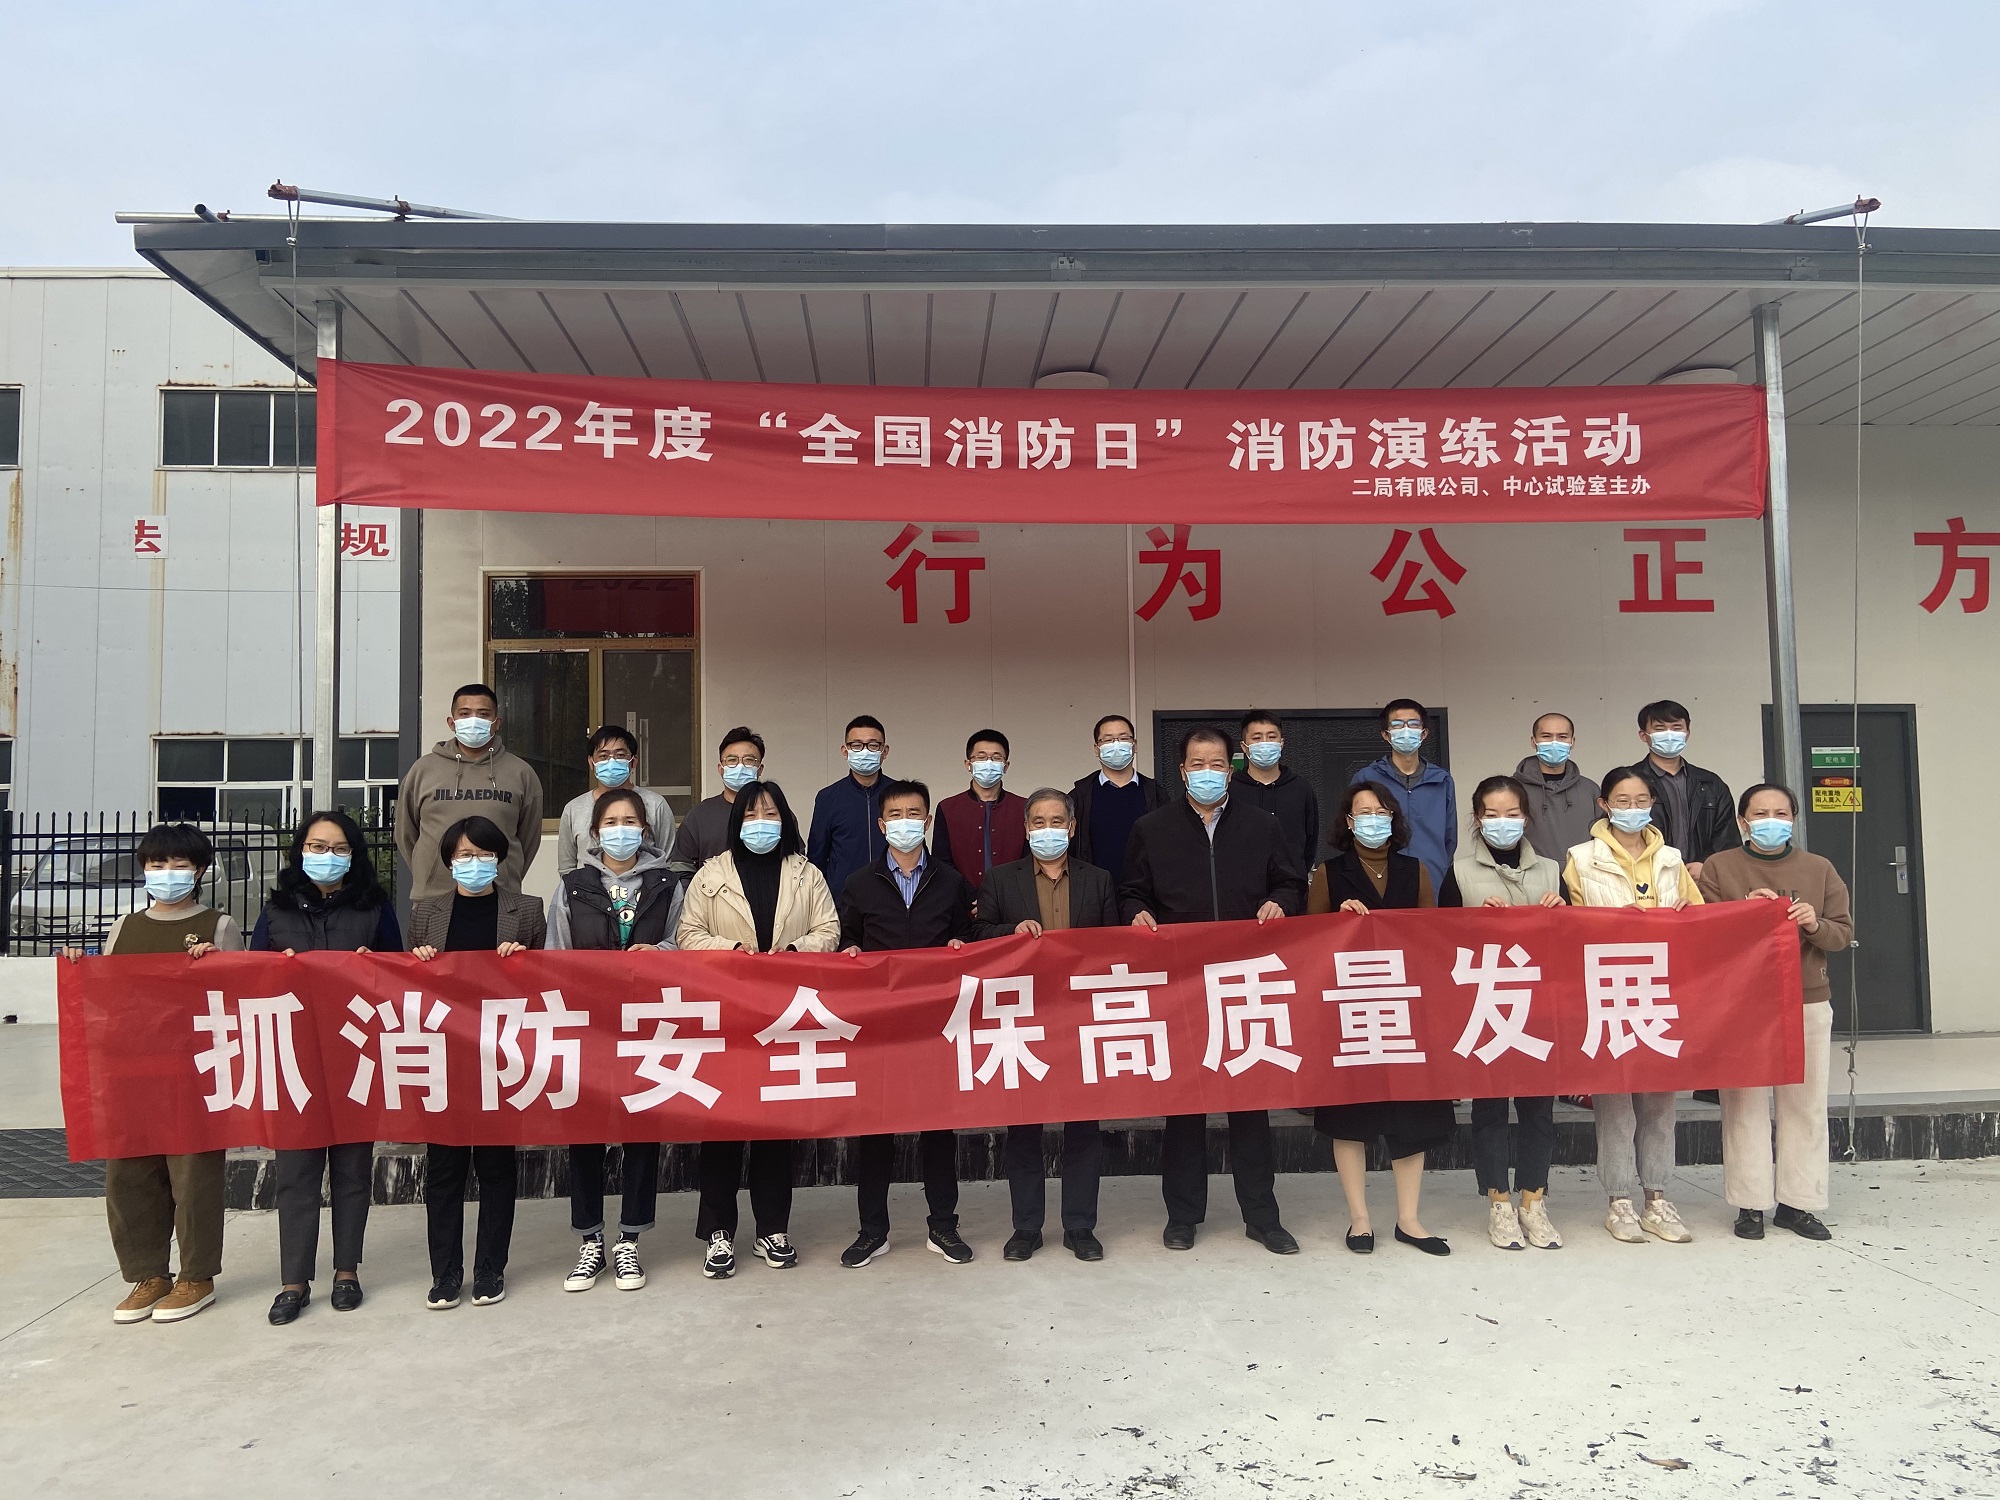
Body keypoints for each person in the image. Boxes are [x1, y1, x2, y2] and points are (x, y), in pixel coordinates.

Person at [1121, 727, 1305, 1255]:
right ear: (1182, 772)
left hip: (1245, 981)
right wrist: (1136, 913)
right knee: (1185, 1106)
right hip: (1181, 984)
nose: (1208, 772)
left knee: (1250, 1105)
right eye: (1197, 764)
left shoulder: (1262, 825)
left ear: (1232, 768)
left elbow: (1291, 883)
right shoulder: (1152, 828)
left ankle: (1262, 1216)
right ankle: (1183, 1215)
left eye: (1218, 764)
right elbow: (1130, 891)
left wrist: (1281, 902)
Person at [68, 824, 242, 1325]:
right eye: (157, 864)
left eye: (179, 865)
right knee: (129, 1175)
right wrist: (80, 966)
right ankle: (148, 1274)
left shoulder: (218, 925)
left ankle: (196, 1276)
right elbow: (106, 993)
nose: (167, 873)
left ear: (200, 871)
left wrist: (215, 966)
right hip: (130, 1071)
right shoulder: (124, 927)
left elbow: (239, 996)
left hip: (192, 1072)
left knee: (193, 1177)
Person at [676, 781, 840, 1277]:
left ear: (785, 819)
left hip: (783, 1017)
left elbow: (829, 930)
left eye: (770, 813)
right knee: (721, 1125)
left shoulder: (806, 873)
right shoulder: (711, 875)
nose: (760, 823)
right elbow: (687, 934)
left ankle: (773, 1228)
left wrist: (792, 954)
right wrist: (731, 952)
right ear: (737, 822)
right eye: (751, 815)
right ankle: (718, 1232)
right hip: (726, 1016)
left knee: (774, 1126)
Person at [252, 810, 403, 1326]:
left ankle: (346, 1271)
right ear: (300, 852)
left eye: (338, 848)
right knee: (295, 1171)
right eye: (317, 847)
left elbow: (400, 975)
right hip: (294, 1055)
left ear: (353, 856)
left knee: (351, 1169)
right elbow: (250, 978)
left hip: (354, 1055)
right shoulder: (275, 910)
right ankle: (293, 1281)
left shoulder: (373, 907)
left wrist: (372, 966)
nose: (327, 856)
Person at [546, 788, 687, 1294]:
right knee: (584, 1131)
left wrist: (659, 953)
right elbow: (556, 955)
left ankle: (630, 1240)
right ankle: (590, 1241)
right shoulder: (573, 886)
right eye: (611, 822)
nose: (621, 830)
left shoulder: (667, 884)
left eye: (631, 822)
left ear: (645, 831)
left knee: (641, 1130)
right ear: (594, 831)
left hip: (648, 1024)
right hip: (588, 1027)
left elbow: (684, 940)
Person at [970, 788, 1120, 1263]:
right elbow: (977, 934)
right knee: (1023, 1126)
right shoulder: (1001, 879)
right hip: (1023, 1018)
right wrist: (1009, 933)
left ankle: (1080, 1226)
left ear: (1071, 828)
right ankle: (1026, 1227)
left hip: (1080, 1017)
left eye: (1057, 821)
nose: (1047, 830)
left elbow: (1115, 945)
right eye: (1038, 822)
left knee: (1083, 1126)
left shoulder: (1098, 880)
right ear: (1026, 828)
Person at [1698, 784, 1853, 1243]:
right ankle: (1750, 1204)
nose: (1771, 821)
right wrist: (1742, 914)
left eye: (1781, 813)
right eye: (1760, 813)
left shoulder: (1819, 868)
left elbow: (1841, 933)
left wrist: (1813, 923)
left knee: (1805, 1103)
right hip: (1741, 1003)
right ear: (1743, 821)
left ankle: (1798, 1204)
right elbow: (1702, 933)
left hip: (1807, 998)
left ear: (1794, 819)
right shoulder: (1719, 867)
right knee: (1743, 1103)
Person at [1309, 782, 1455, 1257]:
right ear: (1348, 822)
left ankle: (1408, 1219)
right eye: (1363, 812)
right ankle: (1359, 1219)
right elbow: (1308, 943)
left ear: (1393, 818)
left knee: (1410, 1114)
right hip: (1349, 1012)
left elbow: (1432, 937)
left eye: (1381, 811)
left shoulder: (1416, 871)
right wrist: (1337, 920)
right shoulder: (1329, 874)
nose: (1373, 819)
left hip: (1404, 1009)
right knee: (1349, 1116)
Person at [836, 778, 977, 1268]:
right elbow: (847, 940)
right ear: (881, 824)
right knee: (875, 1131)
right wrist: (850, 952)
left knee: (938, 1129)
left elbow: (966, 935)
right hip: (881, 1028)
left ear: (928, 821)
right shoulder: (859, 882)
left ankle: (944, 1226)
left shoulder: (951, 882)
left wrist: (961, 946)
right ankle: (873, 1231)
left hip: (936, 1025)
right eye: (895, 815)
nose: (905, 823)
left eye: (914, 814)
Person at [408, 815, 546, 1310]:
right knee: (444, 1169)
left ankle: (491, 1268)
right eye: (464, 855)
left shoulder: (526, 910)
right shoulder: (426, 914)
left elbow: (547, 983)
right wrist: (420, 961)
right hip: (443, 1055)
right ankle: (445, 1274)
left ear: (499, 859)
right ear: (449, 861)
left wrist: (523, 959)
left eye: (484, 854)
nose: (474, 862)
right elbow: (405, 984)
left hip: (500, 1054)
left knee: (496, 1167)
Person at [1563, 766, 1705, 1245]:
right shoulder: (1580, 858)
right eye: (1621, 801)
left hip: (1661, 989)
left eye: (1641, 800)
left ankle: (1658, 1198)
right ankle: (1618, 1200)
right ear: (1603, 805)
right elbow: (1570, 926)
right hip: (1608, 989)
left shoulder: (1671, 858)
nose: (1632, 808)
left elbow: (1701, 920)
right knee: (1615, 1105)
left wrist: (1687, 914)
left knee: (1660, 1102)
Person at [1450, 776, 1566, 1252]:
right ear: (1478, 819)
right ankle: (1498, 1201)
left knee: (1539, 1108)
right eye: (1492, 814)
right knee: (1490, 1108)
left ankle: (1533, 1201)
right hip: (1486, 1006)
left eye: (1512, 813)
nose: (1503, 823)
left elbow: (1573, 942)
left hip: (1539, 1006)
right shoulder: (1459, 873)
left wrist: (1562, 912)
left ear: (1526, 817)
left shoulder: (1552, 870)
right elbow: (1438, 940)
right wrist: (1473, 921)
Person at [395, 682, 545, 901]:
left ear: (497, 723)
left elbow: (528, 839)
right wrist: (430, 870)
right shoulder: (423, 770)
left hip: (501, 898)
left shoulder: (521, 773)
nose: (474, 720)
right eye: (464, 714)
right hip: (433, 897)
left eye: (483, 714)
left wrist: (506, 872)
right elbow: (406, 834)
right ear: (451, 722)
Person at [1622, 699, 1740, 879]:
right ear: (1643, 735)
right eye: (1660, 729)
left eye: (1676, 728)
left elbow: (1727, 836)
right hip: (1646, 877)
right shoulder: (1629, 782)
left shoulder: (1710, 783)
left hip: (1701, 879)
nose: (1669, 734)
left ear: (1687, 734)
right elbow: (1616, 832)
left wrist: (1707, 865)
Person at [1352, 699, 1456, 893]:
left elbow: (1450, 837)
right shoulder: (1367, 778)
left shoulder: (1442, 780)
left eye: (1413, 724)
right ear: (1386, 734)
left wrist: (1440, 864)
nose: (1406, 730)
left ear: (1424, 733)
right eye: (1398, 725)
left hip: (1432, 877)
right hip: (1380, 877)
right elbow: (1352, 830)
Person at [555, 724, 676, 877]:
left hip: (645, 891)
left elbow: (669, 862)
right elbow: (567, 869)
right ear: (591, 762)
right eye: (603, 756)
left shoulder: (655, 805)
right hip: (587, 891)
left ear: (633, 761)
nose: (611, 761)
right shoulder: (573, 809)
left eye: (620, 755)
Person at [1069, 713, 1167, 890]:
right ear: (1096, 749)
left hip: (1144, 895)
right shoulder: (1079, 796)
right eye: (1108, 740)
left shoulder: (1156, 794)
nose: (1116, 744)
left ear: (1134, 745)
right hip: (1094, 893)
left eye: (1123, 738)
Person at [932, 729, 1027, 890]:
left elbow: (1028, 861)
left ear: (1006, 766)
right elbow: (942, 862)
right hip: (962, 900)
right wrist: (968, 895)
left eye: (996, 758)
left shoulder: (1024, 807)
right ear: (968, 764)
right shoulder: (947, 808)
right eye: (981, 757)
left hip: (1013, 898)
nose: (989, 763)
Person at [1230, 710, 1321, 878]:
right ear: (1244, 746)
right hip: (1241, 887)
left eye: (1271, 737)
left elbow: (1310, 843)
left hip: (1292, 887)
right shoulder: (1230, 789)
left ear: (1281, 743)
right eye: (1257, 738)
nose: (1265, 743)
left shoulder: (1301, 788)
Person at [809, 715, 891, 899]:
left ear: (884, 751)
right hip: (843, 903)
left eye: (873, 745)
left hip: (894, 901)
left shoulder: (899, 795)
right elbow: (816, 859)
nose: (865, 751)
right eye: (856, 745)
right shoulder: (827, 798)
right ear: (845, 751)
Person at [668, 726, 766, 874]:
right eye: (732, 760)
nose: (740, 766)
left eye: (749, 760)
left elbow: (796, 863)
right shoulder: (699, 816)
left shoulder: (775, 814)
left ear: (760, 769)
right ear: (721, 769)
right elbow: (682, 867)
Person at [1515, 712, 1602, 863]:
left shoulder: (1590, 790)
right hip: (1531, 874)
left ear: (1572, 741)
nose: (1554, 743)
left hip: (1581, 874)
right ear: (1533, 741)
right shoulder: (1513, 790)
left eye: (1562, 737)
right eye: (1546, 736)